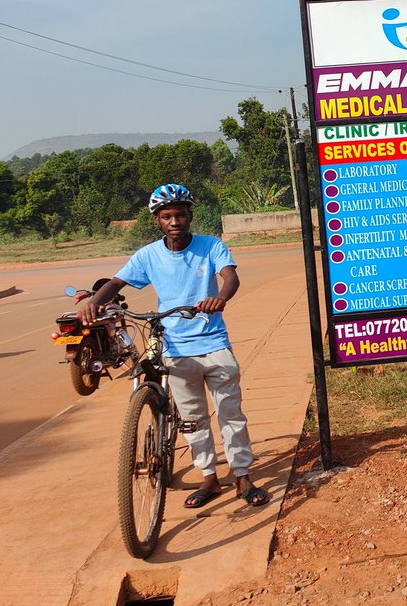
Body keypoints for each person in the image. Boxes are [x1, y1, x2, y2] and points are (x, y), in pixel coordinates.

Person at [79, 183, 269, 508]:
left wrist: (220, 298)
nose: (174, 222)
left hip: (214, 345)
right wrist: (94, 302)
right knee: (193, 418)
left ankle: (242, 477)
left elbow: (230, 277)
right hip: (177, 350)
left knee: (230, 414)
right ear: (157, 221)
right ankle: (209, 478)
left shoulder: (211, 246)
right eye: (166, 216)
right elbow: (117, 282)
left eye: (180, 215)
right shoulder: (148, 255)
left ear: (189, 216)